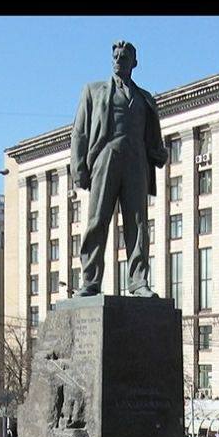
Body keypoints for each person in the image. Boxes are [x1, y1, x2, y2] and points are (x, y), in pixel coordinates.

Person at [71, 40, 168, 298]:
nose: (118, 60)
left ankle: (138, 281)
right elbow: (79, 132)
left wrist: (159, 152)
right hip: (106, 157)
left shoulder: (146, 98)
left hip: (137, 161)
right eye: (115, 56)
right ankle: (90, 281)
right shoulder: (94, 91)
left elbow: (153, 136)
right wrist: (78, 167)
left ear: (134, 63)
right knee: (97, 220)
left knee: (137, 223)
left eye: (124, 57)